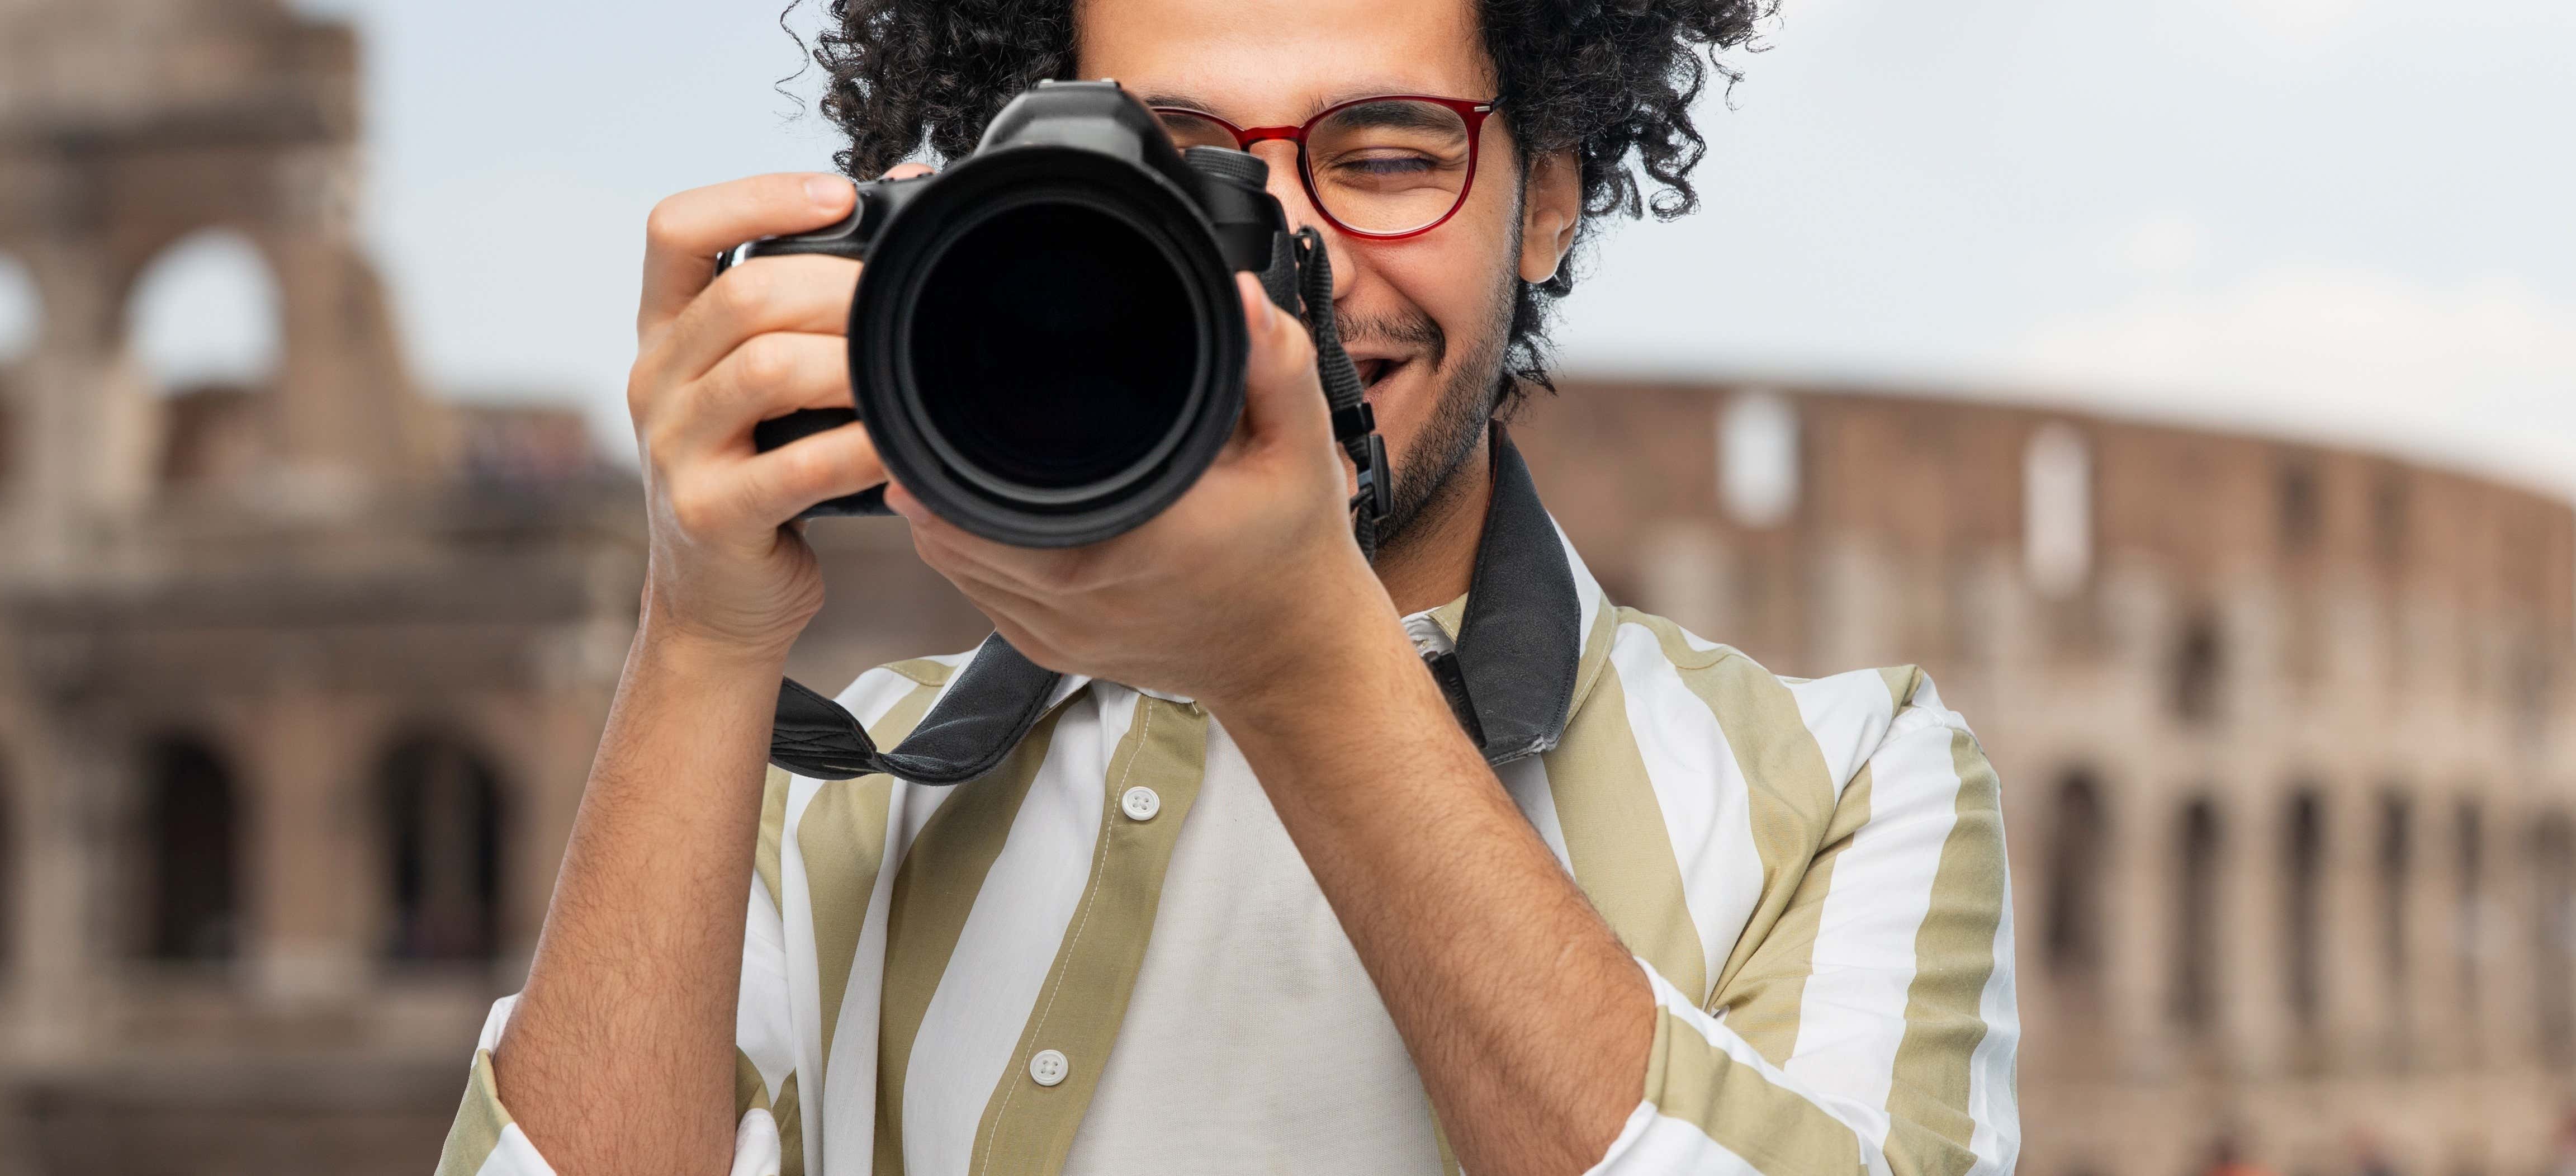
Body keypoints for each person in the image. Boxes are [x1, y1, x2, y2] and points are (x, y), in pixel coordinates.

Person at [438, 0, 2017, 1172]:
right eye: (1180, 174)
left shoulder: (1850, 780)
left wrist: (1300, 664)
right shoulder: (810, 801)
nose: (1285, 278)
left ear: (1546, 200)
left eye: (1385, 155)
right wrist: (701, 635)